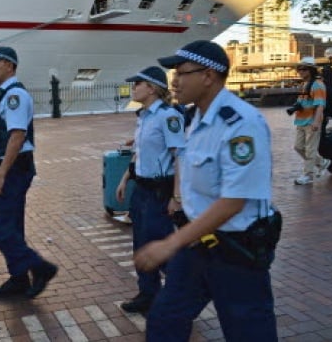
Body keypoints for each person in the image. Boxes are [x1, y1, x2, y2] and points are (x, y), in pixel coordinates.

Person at [134, 40, 280, 341]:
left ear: (208, 76)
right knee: (164, 321)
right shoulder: (194, 118)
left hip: (235, 252)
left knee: (249, 332)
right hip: (197, 246)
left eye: (181, 73)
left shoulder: (241, 124)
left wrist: (169, 244)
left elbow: (233, 203)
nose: (174, 81)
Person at [0, 46, 58, 299]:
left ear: (10, 66)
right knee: (12, 226)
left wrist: (2, 173)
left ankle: (40, 267)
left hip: (16, 170)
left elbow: (17, 136)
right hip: (13, 166)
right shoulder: (4, 95)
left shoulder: (15, 96)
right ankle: (19, 278)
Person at [115, 66, 185, 313]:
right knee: (140, 245)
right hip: (141, 190)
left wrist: (176, 197)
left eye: (137, 84)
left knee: (160, 246)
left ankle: (182, 293)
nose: (133, 88)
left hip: (159, 192)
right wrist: (125, 180)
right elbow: (139, 154)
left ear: (152, 88)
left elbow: (179, 157)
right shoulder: (144, 116)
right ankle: (148, 294)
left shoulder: (169, 117)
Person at [291, 57, 330, 185]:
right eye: (299, 69)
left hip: (311, 121)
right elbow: (303, 101)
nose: (300, 72)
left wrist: (316, 122)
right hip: (301, 121)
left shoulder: (317, 84)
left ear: (311, 70)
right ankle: (321, 162)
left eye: (303, 69)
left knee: (310, 149)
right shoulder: (304, 84)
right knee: (298, 147)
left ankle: (308, 175)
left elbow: (320, 105)